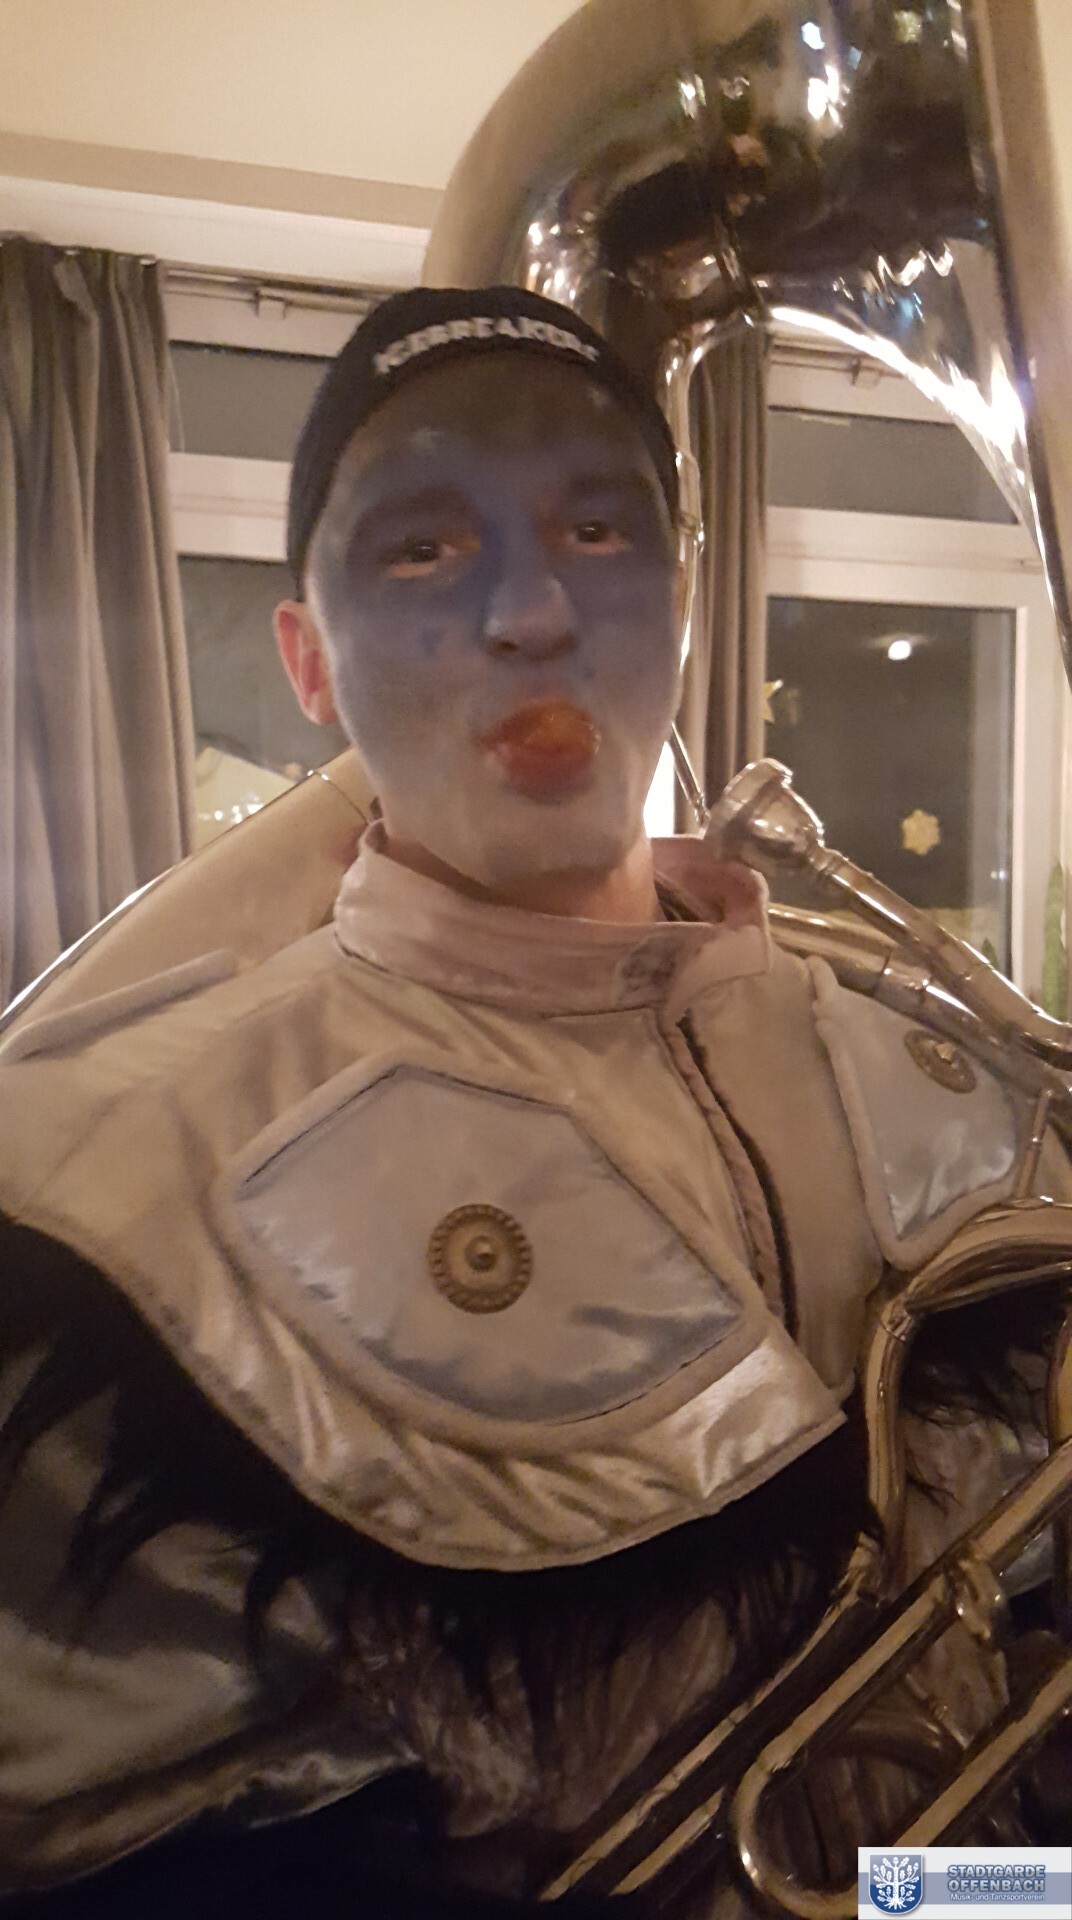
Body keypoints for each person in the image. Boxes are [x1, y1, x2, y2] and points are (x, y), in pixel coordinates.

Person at [0, 287, 1065, 1918]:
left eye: (597, 529)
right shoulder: (117, 1200)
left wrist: (1012, 1893)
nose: (533, 612)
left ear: (685, 607)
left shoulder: (932, 1068)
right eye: (423, 547)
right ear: (305, 659)